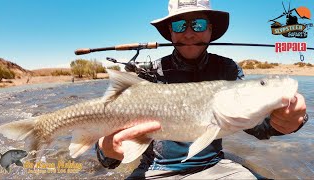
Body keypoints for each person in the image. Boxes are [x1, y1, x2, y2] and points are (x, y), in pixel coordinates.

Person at [95, 0, 308, 179]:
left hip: (214, 167)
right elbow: (108, 159)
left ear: (210, 29)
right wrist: (108, 149)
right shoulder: (148, 75)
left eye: (197, 24)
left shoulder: (228, 69)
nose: (188, 33)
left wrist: (287, 123)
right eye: (179, 25)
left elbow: (258, 128)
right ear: (170, 31)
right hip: (154, 170)